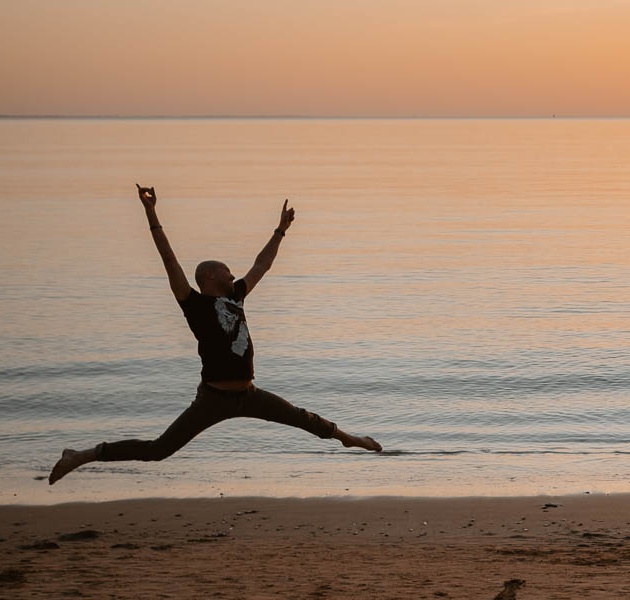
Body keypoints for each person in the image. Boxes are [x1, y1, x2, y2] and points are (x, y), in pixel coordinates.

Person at [48, 186, 381, 484]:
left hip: (249, 394)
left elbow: (261, 265)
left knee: (300, 417)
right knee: (158, 450)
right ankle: (81, 455)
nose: (232, 273)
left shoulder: (236, 295)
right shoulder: (193, 303)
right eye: (225, 269)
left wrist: (280, 230)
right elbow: (168, 258)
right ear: (208, 276)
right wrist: (151, 212)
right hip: (213, 398)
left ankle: (348, 438)